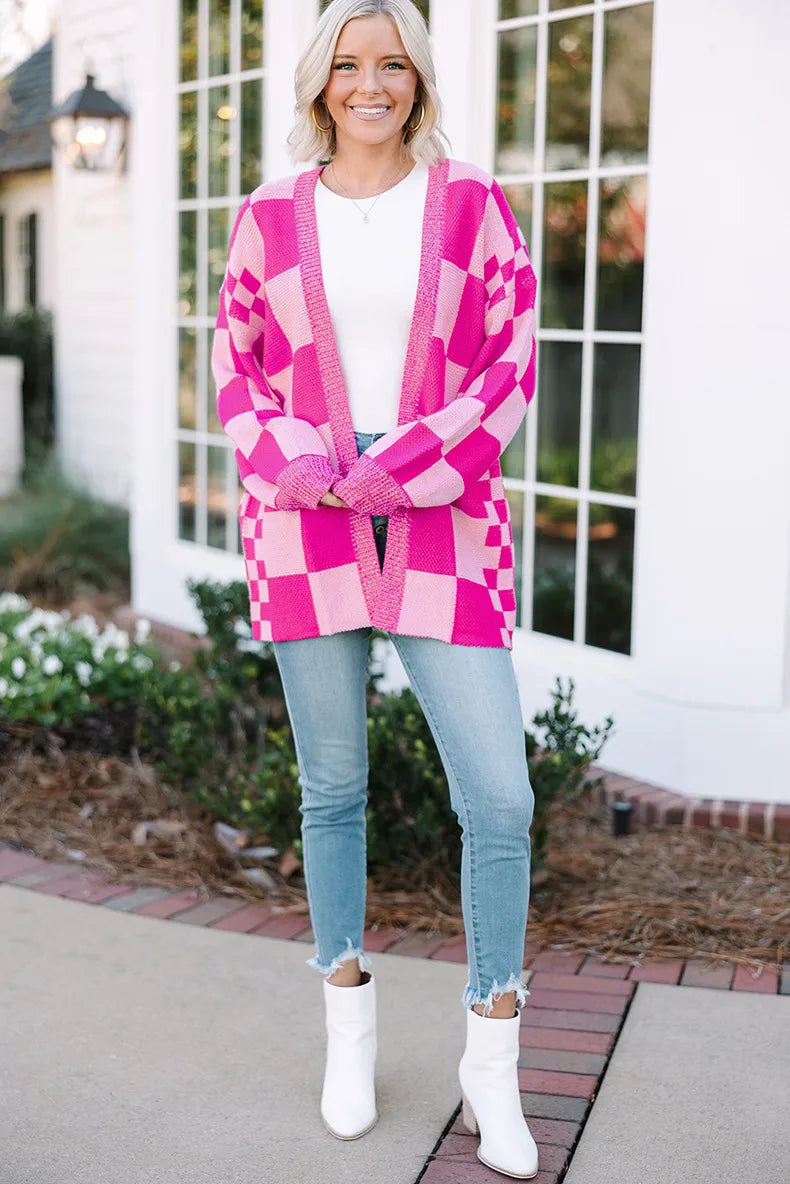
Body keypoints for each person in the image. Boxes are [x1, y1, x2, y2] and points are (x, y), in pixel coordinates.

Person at [211, 0, 539, 1176]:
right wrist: (300, 464)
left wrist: (403, 462)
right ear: (319, 82)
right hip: (304, 526)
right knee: (332, 785)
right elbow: (234, 366)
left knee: (498, 799)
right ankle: (346, 1020)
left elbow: (510, 363)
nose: (369, 84)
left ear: (415, 78)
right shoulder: (265, 216)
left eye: (389, 63)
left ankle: (490, 1060)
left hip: (446, 521)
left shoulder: (472, 206)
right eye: (347, 64)